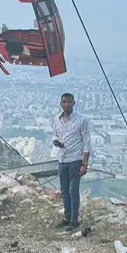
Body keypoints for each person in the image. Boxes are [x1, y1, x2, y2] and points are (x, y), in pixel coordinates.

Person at [52, 93, 91, 231]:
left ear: (74, 103)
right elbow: (55, 134)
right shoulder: (57, 119)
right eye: (64, 102)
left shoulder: (81, 120)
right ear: (61, 103)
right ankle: (66, 217)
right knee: (64, 191)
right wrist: (56, 141)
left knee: (73, 191)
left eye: (69, 102)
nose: (66, 104)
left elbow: (87, 143)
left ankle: (74, 220)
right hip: (62, 159)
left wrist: (84, 164)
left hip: (75, 160)